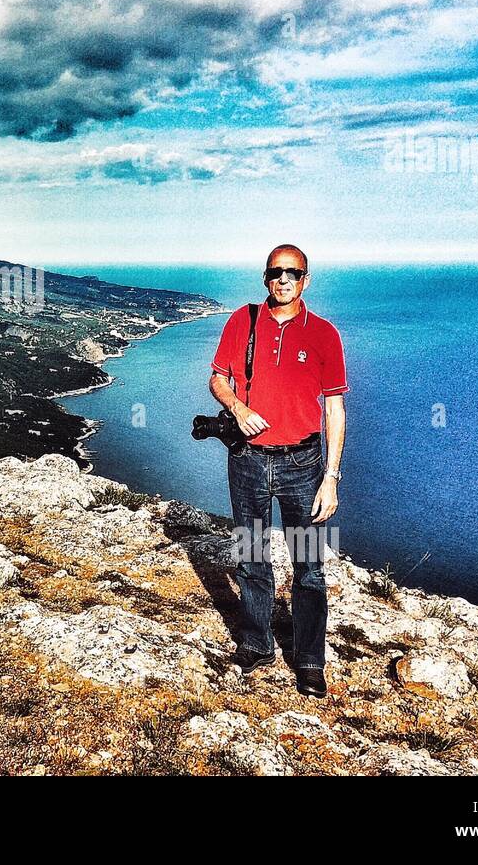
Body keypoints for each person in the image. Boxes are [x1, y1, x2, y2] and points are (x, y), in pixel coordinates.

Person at [208, 244, 348, 698]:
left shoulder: (324, 334)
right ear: (265, 278)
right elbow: (217, 378)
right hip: (247, 461)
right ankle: (256, 644)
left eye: (293, 272)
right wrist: (237, 406)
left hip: (302, 466)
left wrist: (331, 476)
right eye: (275, 272)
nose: (283, 279)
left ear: (306, 279)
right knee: (251, 556)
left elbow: (334, 408)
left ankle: (309, 661)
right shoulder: (242, 321)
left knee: (308, 566)